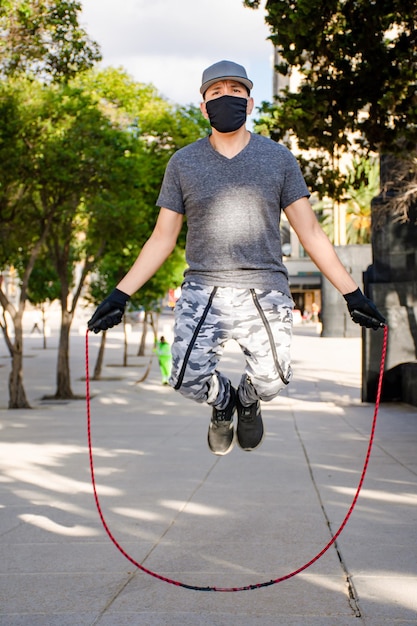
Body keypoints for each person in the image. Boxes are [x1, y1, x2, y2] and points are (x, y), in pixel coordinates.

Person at [88, 60, 385, 456]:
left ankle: (248, 399)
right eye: (216, 92)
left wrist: (353, 293)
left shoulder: (278, 159)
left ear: (249, 103)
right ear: (203, 106)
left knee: (274, 380)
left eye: (235, 91)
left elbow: (310, 231)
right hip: (203, 286)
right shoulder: (183, 162)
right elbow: (162, 238)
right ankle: (223, 401)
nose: (225, 97)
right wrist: (119, 294)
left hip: (263, 286)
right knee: (185, 379)